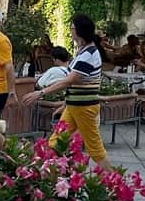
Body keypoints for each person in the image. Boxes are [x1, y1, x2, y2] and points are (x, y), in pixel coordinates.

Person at [24, 13, 109, 168]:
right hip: (75, 106)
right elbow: (76, 84)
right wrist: (66, 103)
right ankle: (50, 174)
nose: (70, 29)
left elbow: (71, 80)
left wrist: (41, 93)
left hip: (84, 108)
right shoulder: (84, 51)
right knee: (55, 142)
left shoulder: (88, 54)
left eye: (73, 27)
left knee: (95, 148)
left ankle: (115, 182)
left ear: (79, 31)